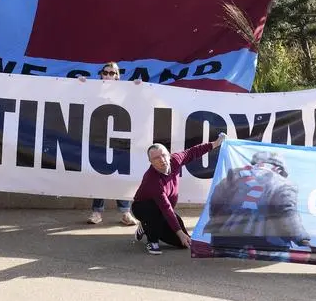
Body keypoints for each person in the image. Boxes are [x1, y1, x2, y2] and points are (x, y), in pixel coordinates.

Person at [130, 133, 225, 255]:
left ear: (168, 155)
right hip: (142, 207)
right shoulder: (152, 180)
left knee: (183, 242)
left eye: (163, 155)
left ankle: (145, 226)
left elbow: (193, 152)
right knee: (157, 215)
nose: (162, 160)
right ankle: (152, 241)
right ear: (150, 162)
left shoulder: (175, 160)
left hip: (162, 209)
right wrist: (179, 232)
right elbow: (166, 209)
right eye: (156, 158)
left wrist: (215, 144)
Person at [203, 150, 312, 254]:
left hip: (224, 239)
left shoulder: (233, 175)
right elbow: (287, 215)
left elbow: (215, 205)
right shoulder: (284, 184)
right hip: (265, 244)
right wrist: (302, 239)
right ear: (279, 169)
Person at [82, 62, 134, 226]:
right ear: (101, 74)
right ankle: (97, 212)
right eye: (107, 72)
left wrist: (139, 88)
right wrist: (78, 86)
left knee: (122, 176)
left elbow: (140, 102)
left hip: (121, 139)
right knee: (100, 175)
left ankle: (125, 213)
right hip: (98, 139)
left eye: (113, 73)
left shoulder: (127, 92)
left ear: (118, 76)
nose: (109, 76)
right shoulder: (92, 90)